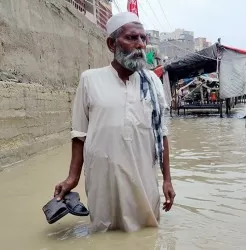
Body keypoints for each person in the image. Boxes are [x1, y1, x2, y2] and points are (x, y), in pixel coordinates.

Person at [53, 12, 175, 233]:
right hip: (103, 178)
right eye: (131, 38)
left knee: (147, 232)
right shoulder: (90, 79)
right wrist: (72, 178)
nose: (140, 45)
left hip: (144, 177)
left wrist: (167, 180)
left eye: (143, 38)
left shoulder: (153, 84)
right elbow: (79, 135)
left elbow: (162, 134)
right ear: (112, 43)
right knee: (103, 232)